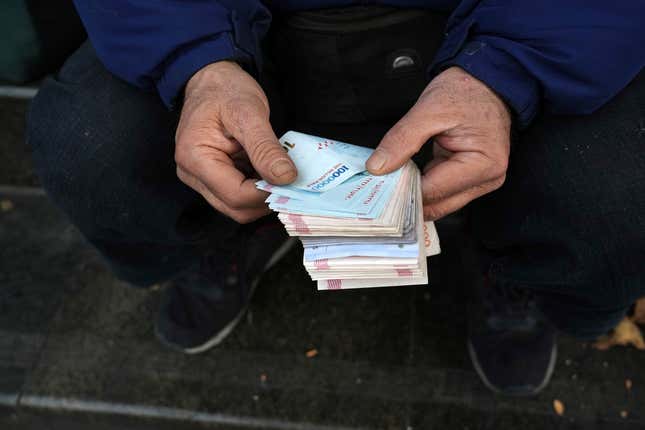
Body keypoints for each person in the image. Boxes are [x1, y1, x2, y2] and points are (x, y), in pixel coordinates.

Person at [27, 1, 645, 396]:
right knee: (89, 147)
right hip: (237, 17)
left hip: (505, 18)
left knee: (615, 188)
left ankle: (517, 271)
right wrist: (198, 63)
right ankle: (223, 230)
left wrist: (510, 70)